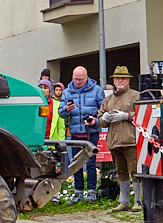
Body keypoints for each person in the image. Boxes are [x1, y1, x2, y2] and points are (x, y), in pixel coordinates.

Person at [95, 66, 142, 212]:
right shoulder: (108, 99)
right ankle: (124, 201)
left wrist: (126, 116)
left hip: (131, 140)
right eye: (117, 78)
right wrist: (104, 118)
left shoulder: (135, 96)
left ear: (128, 80)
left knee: (135, 171)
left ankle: (138, 201)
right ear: (113, 81)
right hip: (114, 142)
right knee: (121, 172)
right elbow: (100, 118)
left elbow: (142, 115)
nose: (120, 80)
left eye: (123, 78)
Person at [59, 66, 104, 203]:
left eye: (80, 79)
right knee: (76, 163)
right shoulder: (67, 92)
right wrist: (66, 109)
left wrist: (95, 121)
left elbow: (104, 112)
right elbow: (60, 113)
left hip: (91, 133)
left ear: (86, 77)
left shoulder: (97, 91)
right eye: (75, 79)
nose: (77, 82)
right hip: (75, 133)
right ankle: (78, 192)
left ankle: (91, 191)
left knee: (90, 162)